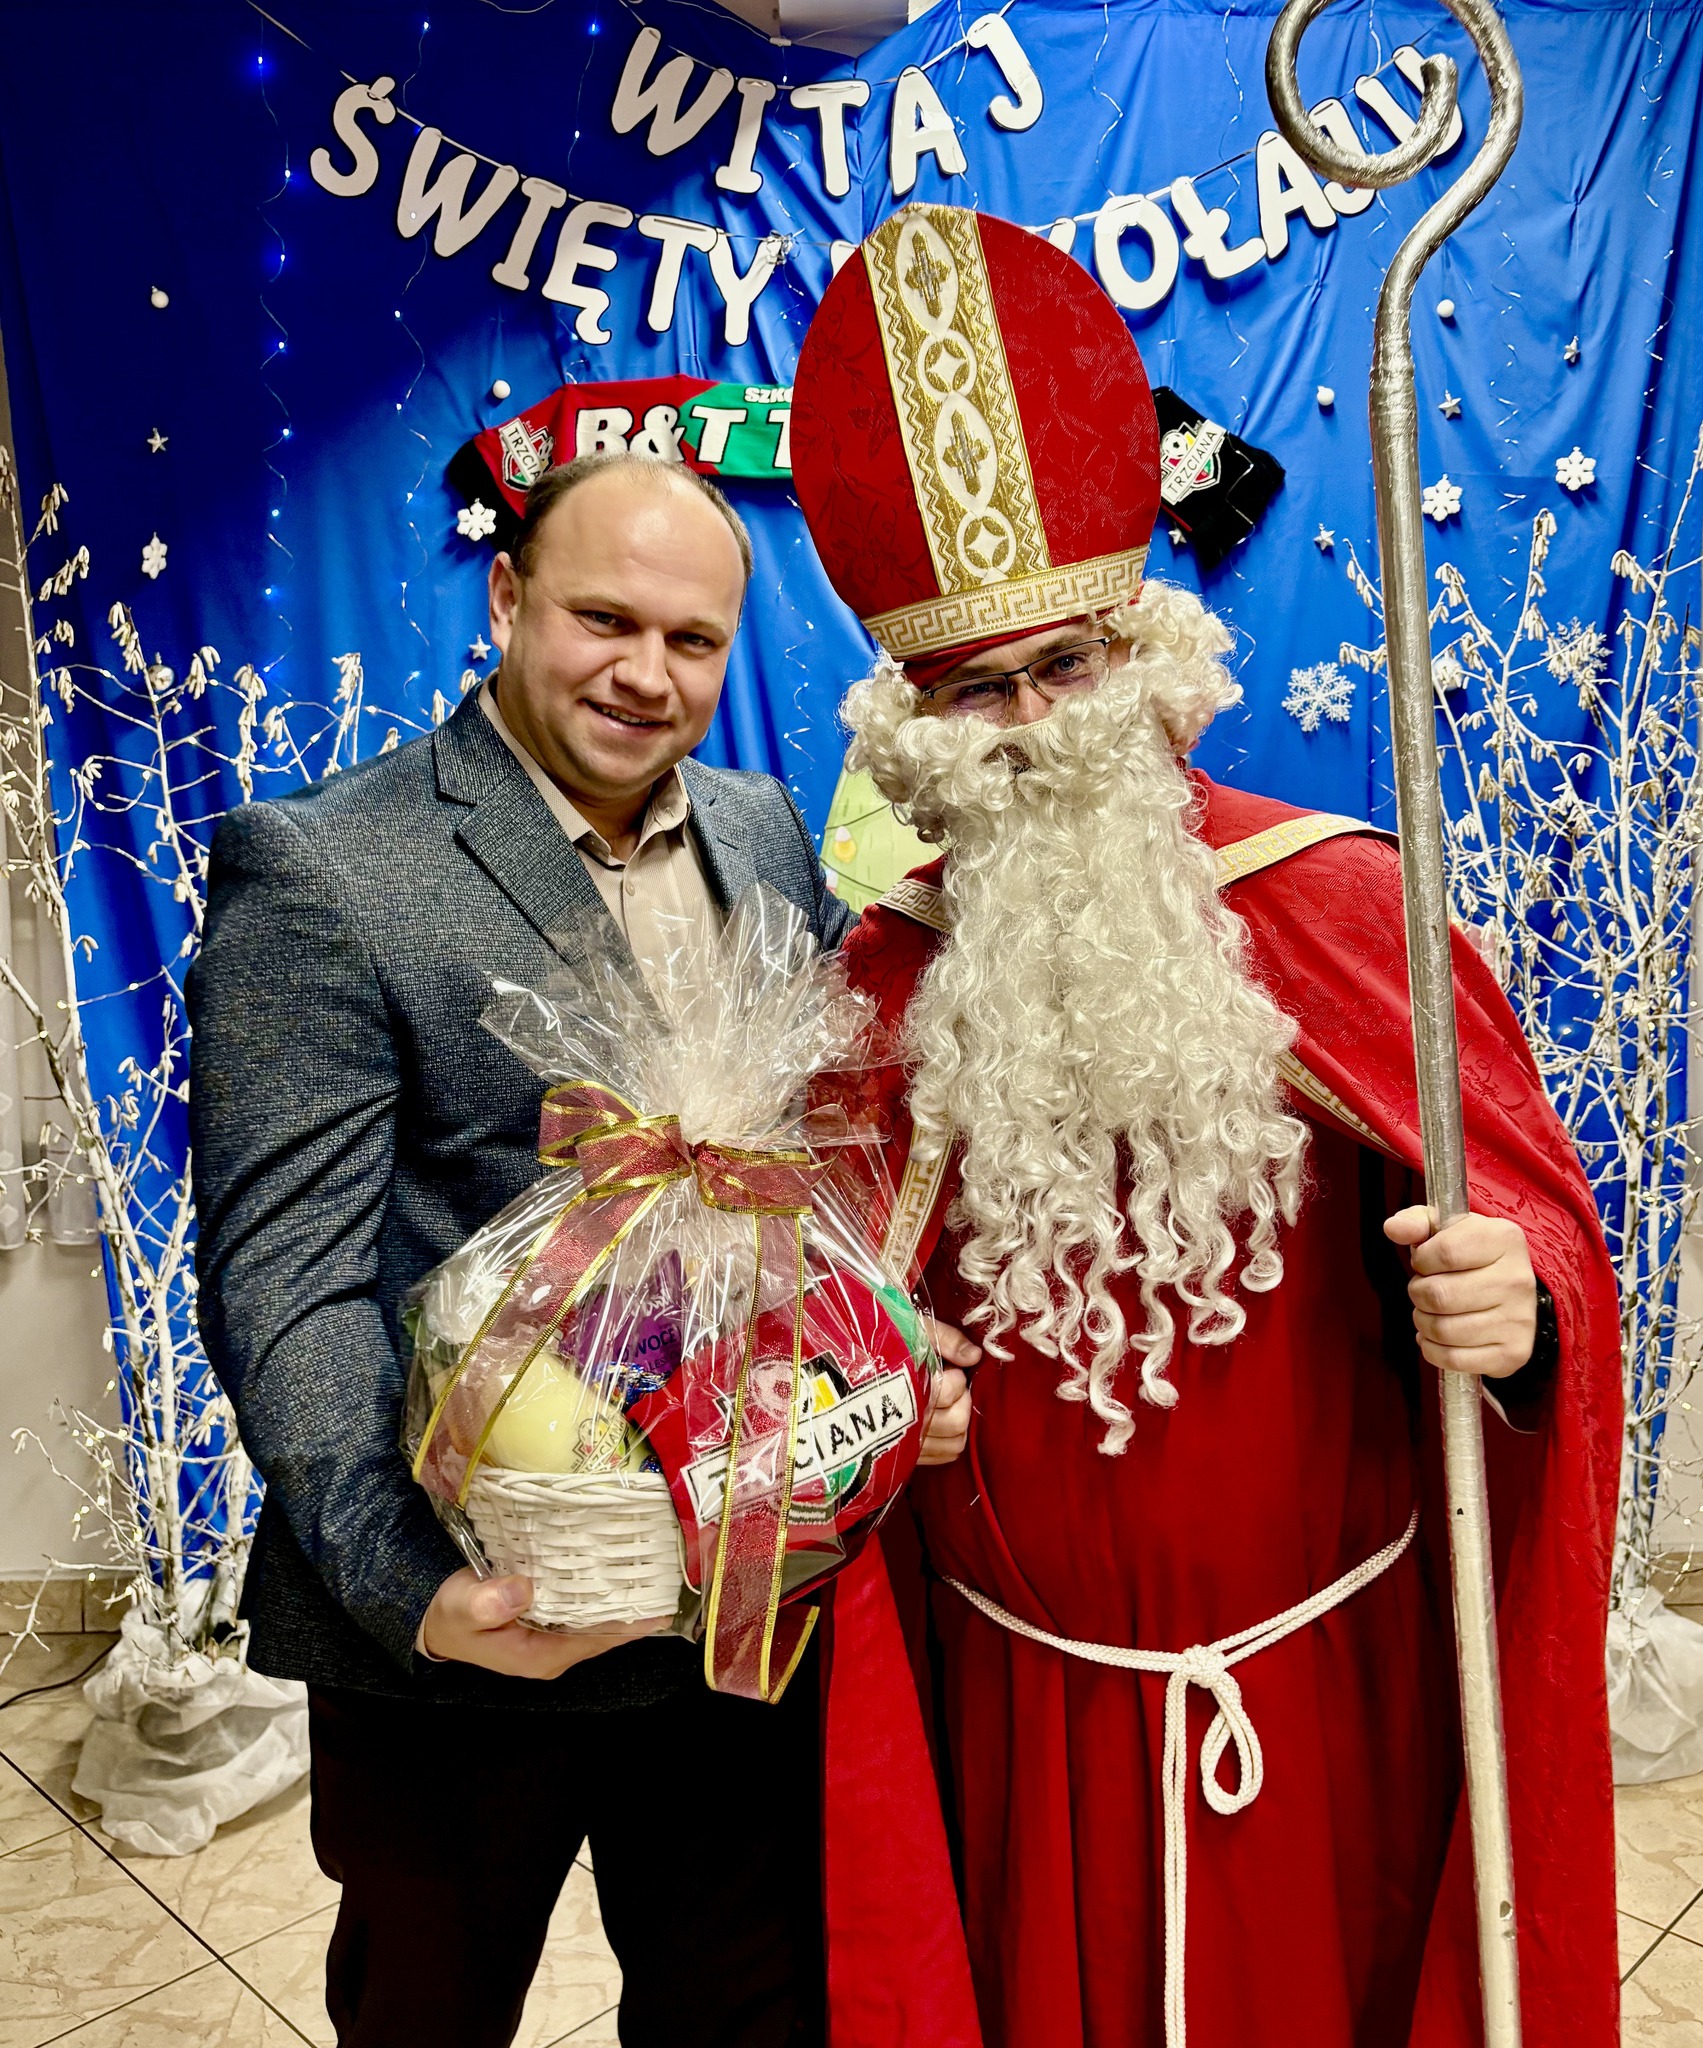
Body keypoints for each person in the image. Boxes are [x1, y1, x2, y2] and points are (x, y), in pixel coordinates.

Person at [791, 205, 1623, 2048]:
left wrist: (1527, 1311)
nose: (1032, 723)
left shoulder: (1349, 907)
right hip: (1021, 1726)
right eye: (976, 688)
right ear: (913, 721)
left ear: (1148, 653)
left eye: (1069, 665)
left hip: (1336, 1706)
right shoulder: (878, 987)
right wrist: (876, 1399)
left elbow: (1546, 1239)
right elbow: (812, 1350)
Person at [189, 451, 971, 2048]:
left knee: (743, 2007)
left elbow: (812, 1168)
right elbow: (288, 1280)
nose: (645, 675)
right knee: (428, 2007)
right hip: (470, 1610)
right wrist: (419, 1589)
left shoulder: (758, 829)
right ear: (506, 597)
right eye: (603, 620)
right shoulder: (327, 867)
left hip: (738, 1594)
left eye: (692, 641)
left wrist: (890, 1368)